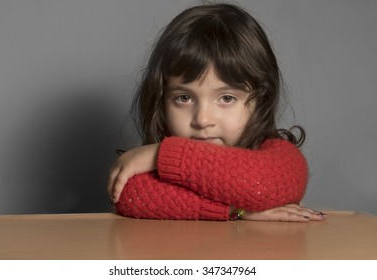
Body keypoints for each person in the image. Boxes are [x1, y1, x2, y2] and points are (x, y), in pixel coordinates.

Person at [107, 2, 326, 222]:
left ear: (260, 100)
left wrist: (163, 155)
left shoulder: (275, 152)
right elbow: (130, 195)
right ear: (162, 99)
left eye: (226, 98)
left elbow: (271, 182)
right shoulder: (156, 166)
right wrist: (237, 210)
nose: (202, 120)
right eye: (184, 98)